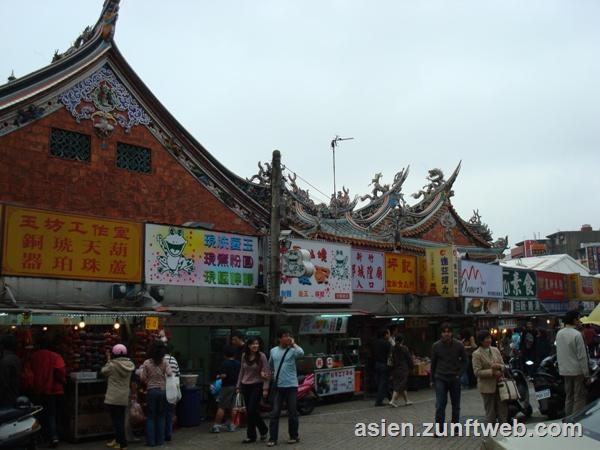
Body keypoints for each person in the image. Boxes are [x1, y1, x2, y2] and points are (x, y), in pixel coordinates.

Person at [267, 329, 304, 447]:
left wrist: (293, 343)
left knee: (292, 412)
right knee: (274, 413)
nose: (287, 338)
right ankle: (272, 438)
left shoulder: (293, 350)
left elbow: (301, 353)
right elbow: (270, 366)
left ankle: (294, 436)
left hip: (292, 385)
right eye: (285, 336)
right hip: (278, 386)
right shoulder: (273, 351)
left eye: (289, 336)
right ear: (279, 339)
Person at [29, 337, 66, 448]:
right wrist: (62, 381)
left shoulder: (33, 356)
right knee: (51, 415)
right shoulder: (55, 356)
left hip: (36, 390)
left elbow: (28, 372)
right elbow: (60, 371)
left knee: (36, 415)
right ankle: (53, 437)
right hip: (51, 391)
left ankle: (34, 438)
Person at [431, 323, 467, 432]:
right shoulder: (436, 346)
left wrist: (459, 374)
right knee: (440, 404)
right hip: (440, 377)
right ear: (441, 333)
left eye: (448, 331)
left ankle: (455, 428)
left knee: (456, 404)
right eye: (444, 332)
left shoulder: (459, 345)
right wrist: (432, 380)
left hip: (454, 378)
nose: (446, 334)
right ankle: (439, 429)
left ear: (452, 333)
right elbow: (433, 363)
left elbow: (465, 361)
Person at [236, 337, 270, 443]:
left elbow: (267, 372)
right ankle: (253, 435)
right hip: (245, 385)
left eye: (257, 344)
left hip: (257, 385)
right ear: (249, 346)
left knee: (251, 409)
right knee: (251, 411)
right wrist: (238, 386)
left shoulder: (262, 356)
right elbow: (241, 371)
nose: (255, 346)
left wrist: (265, 388)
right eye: (253, 344)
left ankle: (262, 430)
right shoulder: (244, 356)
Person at [555, 310, 589, 416]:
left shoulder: (559, 333)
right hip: (577, 371)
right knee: (578, 396)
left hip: (565, 370)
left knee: (569, 396)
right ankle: (576, 419)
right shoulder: (577, 335)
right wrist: (586, 374)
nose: (579, 321)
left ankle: (568, 418)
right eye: (578, 319)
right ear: (574, 320)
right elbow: (582, 356)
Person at [139, 341, 173, 447]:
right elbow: (170, 373)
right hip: (163, 392)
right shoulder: (165, 362)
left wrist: (149, 379)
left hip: (152, 391)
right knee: (161, 416)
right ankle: (160, 441)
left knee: (151, 417)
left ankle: (151, 442)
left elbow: (142, 378)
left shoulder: (147, 363)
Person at [102, 344, 135, 450]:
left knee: (117, 421)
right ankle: (117, 441)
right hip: (123, 396)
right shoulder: (130, 365)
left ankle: (122, 444)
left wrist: (108, 360)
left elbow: (103, 371)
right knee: (120, 419)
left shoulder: (112, 365)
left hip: (113, 397)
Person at [471, 330, 507, 424]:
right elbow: (477, 372)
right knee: (490, 411)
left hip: (500, 384)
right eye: (486, 338)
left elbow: (503, 365)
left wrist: (499, 367)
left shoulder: (495, 350)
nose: (489, 340)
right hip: (487, 386)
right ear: (481, 341)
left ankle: (504, 429)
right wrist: (492, 372)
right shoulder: (476, 354)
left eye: (489, 338)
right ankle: (492, 432)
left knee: (502, 409)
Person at [210, 346, 241, 433]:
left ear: (225, 355)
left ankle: (216, 426)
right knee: (232, 407)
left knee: (221, 407)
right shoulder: (238, 363)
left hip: (226, 387)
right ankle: (231, 425)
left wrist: (218, 376)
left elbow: (224, 375)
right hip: (236, 386)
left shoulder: (225, 363)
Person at [389, 334, 413, 407]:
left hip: (395, 369)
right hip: (403, 369)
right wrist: (412, 366)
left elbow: (390, 359)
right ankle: (393, 400)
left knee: (402, 385)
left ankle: (407, 400)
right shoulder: (404, 348)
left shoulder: (393, 348)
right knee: (399, 385)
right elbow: (409, 359)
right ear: (402, 341)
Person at [163, 344, 180, 442]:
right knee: (170, 412)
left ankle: (161, 433)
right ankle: (168, 434)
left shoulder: (158, 359)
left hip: (161, 387)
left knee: (161, 412)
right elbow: (178, 374)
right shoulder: (173, 360)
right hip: (171, 388)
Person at [0, 334, 21, 408]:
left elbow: (3, 383)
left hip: (6, 400)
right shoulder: (15, 358)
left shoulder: (5, 361)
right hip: (13, 396)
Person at [373, 328, 391, 407]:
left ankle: (391, 398)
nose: (389, 335)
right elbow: (390, 356)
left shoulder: (375, 343)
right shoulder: (387, 343)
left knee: (383, 382)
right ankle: (378, 401)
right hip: (384, 365)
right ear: (386, 334)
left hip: (377, 364)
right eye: (388, 333)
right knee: (383, 383)